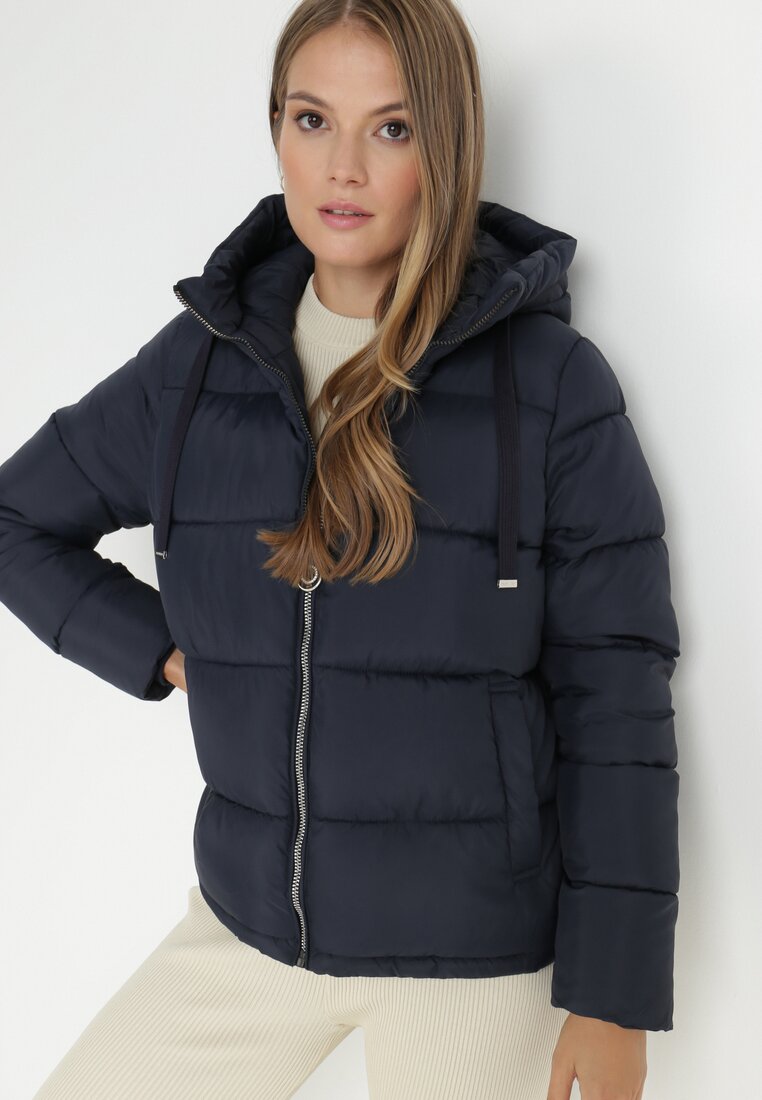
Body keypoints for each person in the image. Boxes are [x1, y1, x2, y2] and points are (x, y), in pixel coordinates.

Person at [0, 1, 681, 1097]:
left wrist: (613, 995)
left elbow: (618, 692)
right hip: (250, 927)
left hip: (469, 957)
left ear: (444, 145)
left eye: (392, 128)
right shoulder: (199, 367)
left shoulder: (549, 385)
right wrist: (161, 649)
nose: (344, 167)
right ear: (275, 127)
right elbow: (15, 518)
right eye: (313, 119)